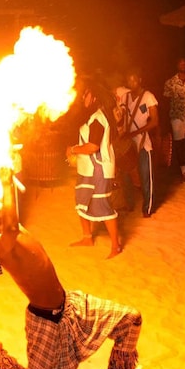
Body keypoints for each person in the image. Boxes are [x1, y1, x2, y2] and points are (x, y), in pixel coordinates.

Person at [0, 167, 142, 369]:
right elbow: (11, 225)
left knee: (131, 318)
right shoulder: (2, 246)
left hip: (71, 307)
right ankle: (0, 361)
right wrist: (6, 184)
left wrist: (10, 166)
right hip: (45, 323)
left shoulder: (13, 230)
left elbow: (12, 218)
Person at [66, 80, 122, 257]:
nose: (83, 97)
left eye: (87, 94)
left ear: (95, 97)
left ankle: (115, 246)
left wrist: (73, 150)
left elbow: (93, 147)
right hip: (87, 169)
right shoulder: (92, 117)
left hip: (99, 170)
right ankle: (87, 237)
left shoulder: (98, 118)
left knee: (102, 205)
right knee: (81, 201)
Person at [119, 68, 160, 218]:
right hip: (128, 143)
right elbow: (121, 117)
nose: (132, 82)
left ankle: (148, 207)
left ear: (140, 80)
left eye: (134, 79)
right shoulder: (126, 97)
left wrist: (135, 133)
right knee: (126, 174)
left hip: (143, 141)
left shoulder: (148, 96)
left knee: (145, 175)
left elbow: (155, 121)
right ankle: (129, 204)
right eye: (129, 80)